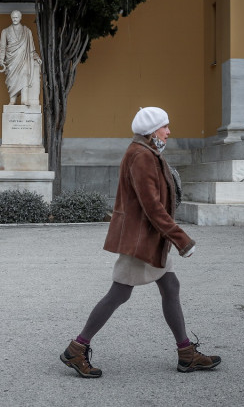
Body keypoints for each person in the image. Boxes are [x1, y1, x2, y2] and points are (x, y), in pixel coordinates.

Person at [60, 107, 221, 378]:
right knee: (119, 293)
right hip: (140, 241)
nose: (169, 132)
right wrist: (181, 239)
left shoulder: (147, 152)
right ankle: (77, 348)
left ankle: (186, 354)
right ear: (152, 130)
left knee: (170, 285)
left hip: (148, 239)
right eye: (165, 127)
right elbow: (152, 206)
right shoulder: (141, 156)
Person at [0, 10, 41, 106]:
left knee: (24, 76)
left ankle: (24, 100)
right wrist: (1, 59)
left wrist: (36, 57)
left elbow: (31, 49)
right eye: (13, 17)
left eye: (16, 17)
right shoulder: (5, 31)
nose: (14, 19)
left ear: (20, 18)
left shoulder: (27, 31)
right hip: (11, 60)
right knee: (12, 80)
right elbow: (3, 47)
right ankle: (12, 101)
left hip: (24, 59)